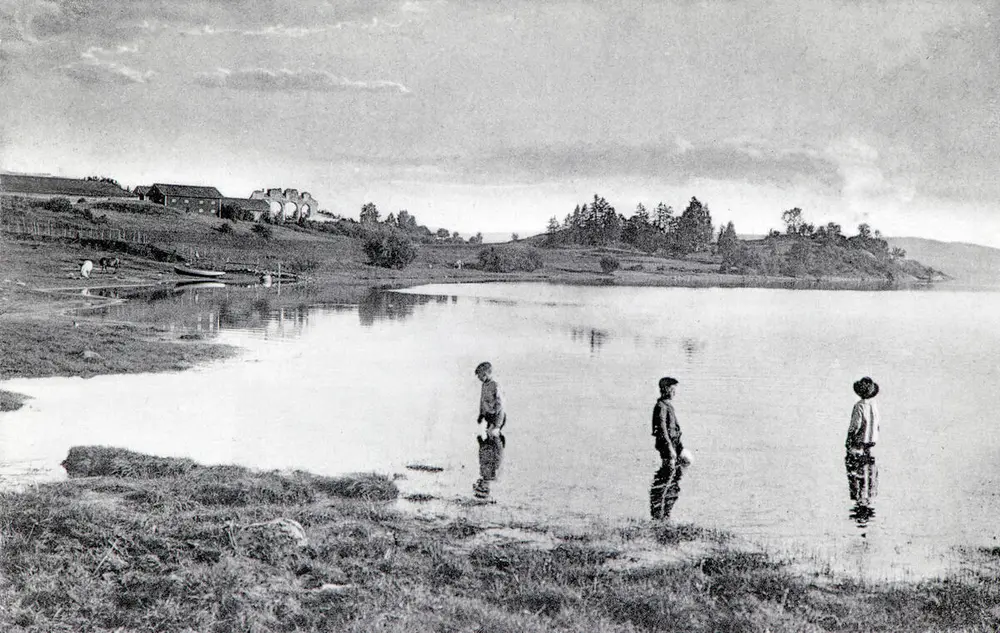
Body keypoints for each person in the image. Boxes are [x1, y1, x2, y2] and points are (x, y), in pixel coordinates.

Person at [651, 377, 691, 465]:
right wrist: (669, 447)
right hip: (667, 444)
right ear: (666, 390)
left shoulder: (668, 406)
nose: (674, 393)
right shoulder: (661, 406)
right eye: (672, 390)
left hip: (674, 442)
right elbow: (662, 429)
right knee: (668, 470)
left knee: (681, 467)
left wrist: (679, 446)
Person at [846, 376, 880, 456]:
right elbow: (877, 423)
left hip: (860, 440)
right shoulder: (873, 405)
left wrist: (850, 437)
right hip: (872, 439)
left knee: (854, 459)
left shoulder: (859, 405)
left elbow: (856, 424)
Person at [475, 361, 505, 436]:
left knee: (492, 433)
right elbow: (482, 401)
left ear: (485, 374)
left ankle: (498, 445)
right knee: (487, 436)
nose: (478, 378)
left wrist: (497, 422)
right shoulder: (484, 385)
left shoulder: (495, 385)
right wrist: (481, 414)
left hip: (497, 416)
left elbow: (500, 403)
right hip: (489, 416)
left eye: (479, 376)